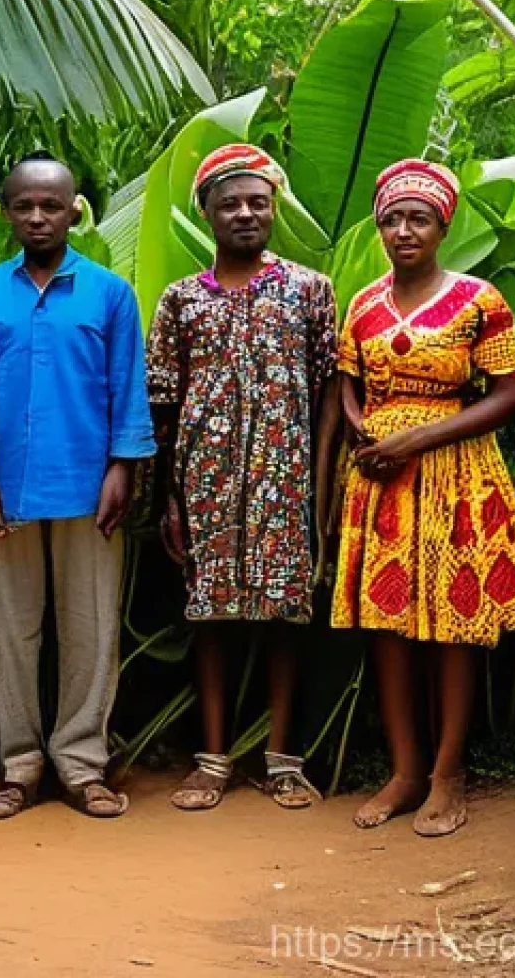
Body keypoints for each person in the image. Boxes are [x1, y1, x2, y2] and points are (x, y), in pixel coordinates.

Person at [333, 159, 515, 837]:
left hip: (457, 477)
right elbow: (347, 379)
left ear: (442, 225)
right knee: (387, 626)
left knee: (454, 625)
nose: (403, 229)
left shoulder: (480, 300)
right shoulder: (362, 303)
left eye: (418, 217)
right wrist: (360, 424)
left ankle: (449, 776)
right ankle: (405, 771)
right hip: (381, 480)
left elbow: (510, 396)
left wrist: (416, 440)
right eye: (391, 218)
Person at [0, 153, 155, 820]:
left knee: (90, 627)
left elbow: (128, 386)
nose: (38, 217)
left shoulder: (109, 293)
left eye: (51, 205)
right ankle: (19, 766)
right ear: (8, 211)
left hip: (89, 481)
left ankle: (81, 763)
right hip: (7, 483)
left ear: (76, 210)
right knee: (13, 630)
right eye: (24, 205)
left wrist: (123, 469)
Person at [146, 143, 340, 812]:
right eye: (230, 202)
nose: (246, 213)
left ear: (274, 207)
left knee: (287, 617)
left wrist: (318, 488)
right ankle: (212, 759)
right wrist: (169, 499)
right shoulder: (179, 302)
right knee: (211, 620)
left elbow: (327, 393)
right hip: (205, 484)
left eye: (258, 201)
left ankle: (283, 760)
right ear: (207, 212)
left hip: (284, 483)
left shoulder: (310, 290)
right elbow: (163, 405)